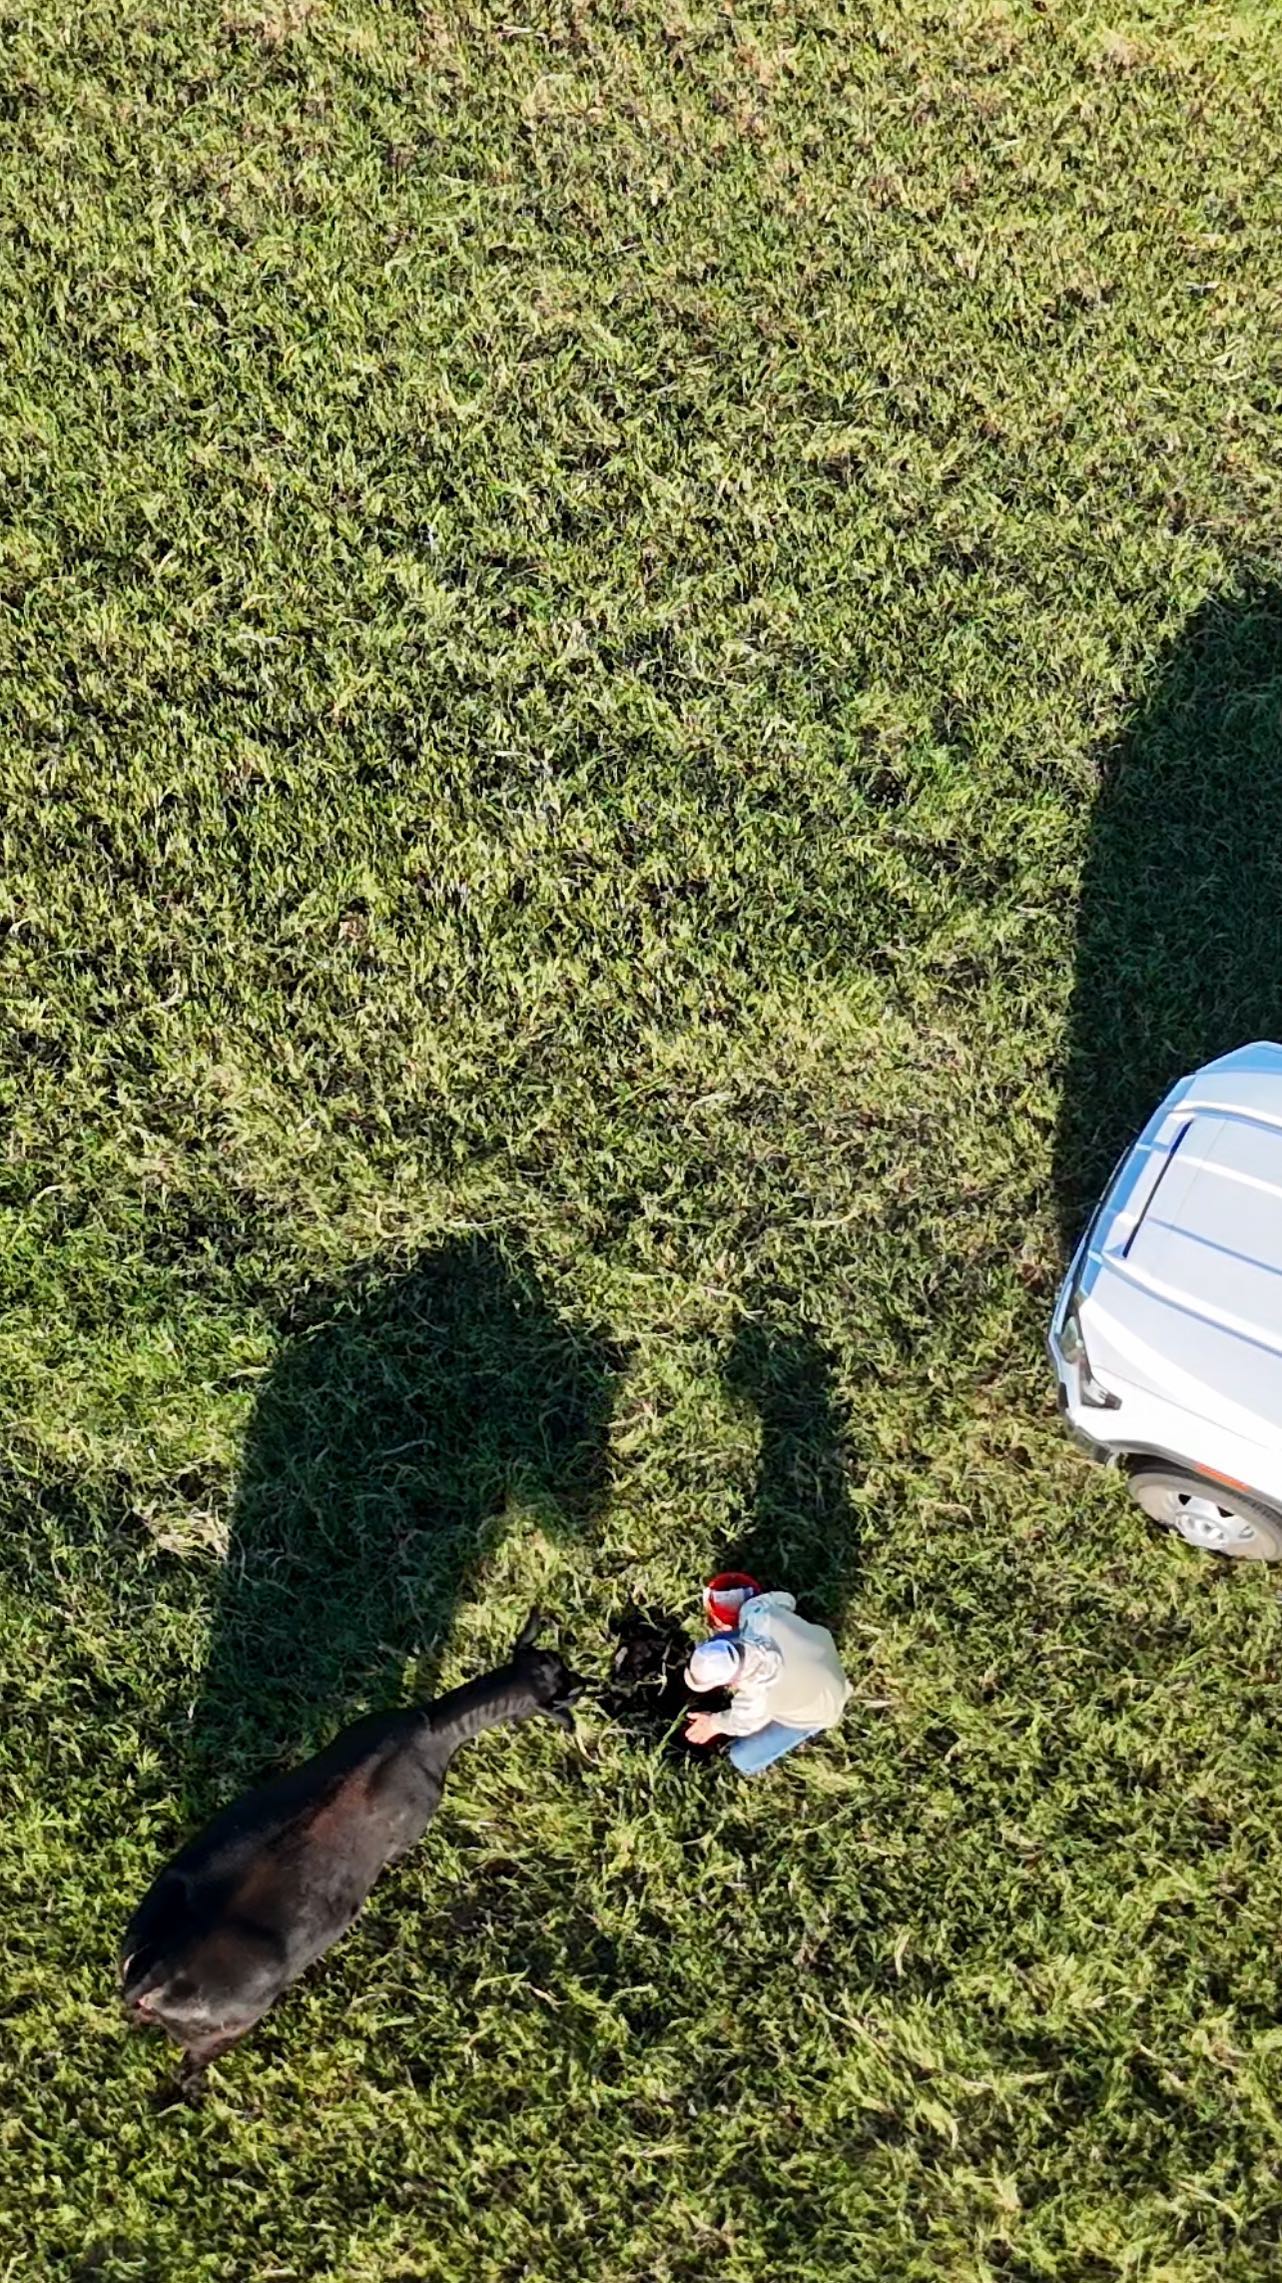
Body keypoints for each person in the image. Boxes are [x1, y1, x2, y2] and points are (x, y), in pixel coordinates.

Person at [684, 1590, 851, 1774]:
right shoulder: (757, 1613)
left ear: (731, 1680)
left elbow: (741, 1722)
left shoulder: (760, 1696)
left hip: (826, 1704)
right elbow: (787, 1599)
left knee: (742, 1758)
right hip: (823, 1652)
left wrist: (713, 1724)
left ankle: (810, 1729)